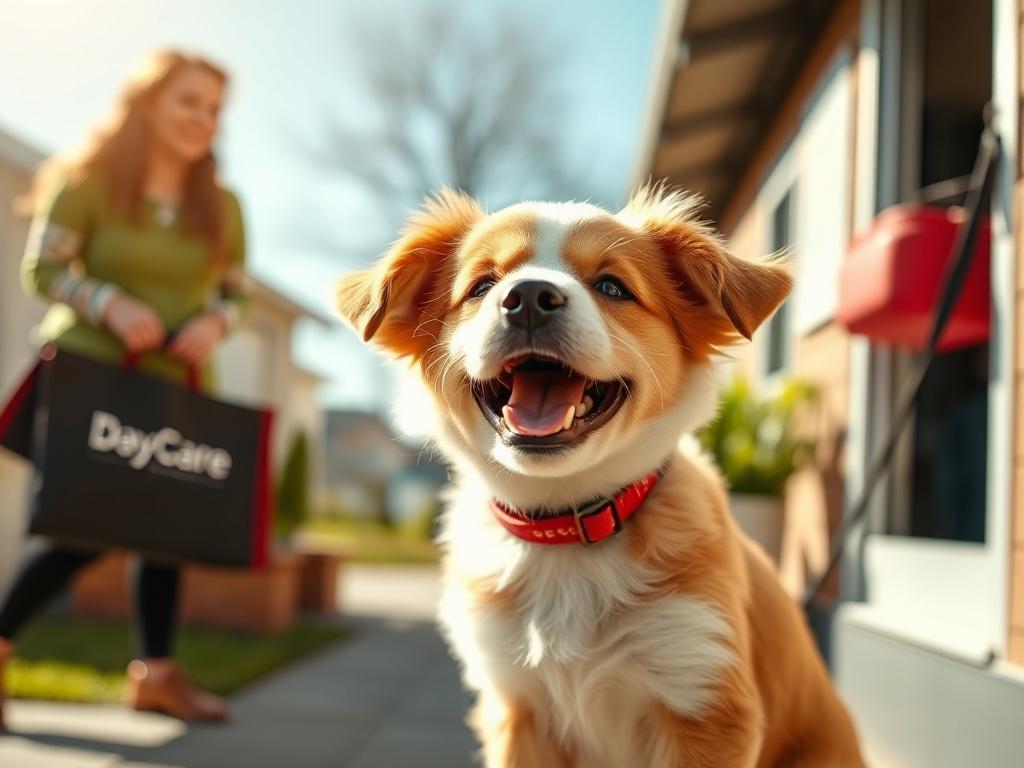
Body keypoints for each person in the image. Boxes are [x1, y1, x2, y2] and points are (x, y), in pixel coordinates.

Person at [0, 49, 247, 727]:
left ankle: (156, 678)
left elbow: (238, 290)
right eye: (188, 102)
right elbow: (42, 271)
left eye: (213, 109)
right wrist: (107, 301)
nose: (202, 119)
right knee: (82, 522)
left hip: (177, 386)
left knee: (164, 529)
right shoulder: (88, 180)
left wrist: (216, 320)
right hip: (90, 374)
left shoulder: (222, 206)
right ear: (147, 103)